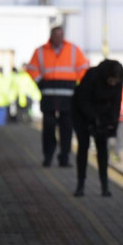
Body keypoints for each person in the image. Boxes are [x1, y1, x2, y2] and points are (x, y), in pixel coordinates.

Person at [26, 26, 89, 167]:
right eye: (56, 35)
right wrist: (40, 82)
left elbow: (84, 70)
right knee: (48, 128)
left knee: (66, 129)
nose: (58, 38)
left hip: (68, 98)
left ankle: (64, 158)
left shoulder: (73, 50)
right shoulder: (40, 51)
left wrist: (80, 88)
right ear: (51, 36)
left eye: (61, 35)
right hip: (48, 97)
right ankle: (48, 157)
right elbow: (31, 69)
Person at [72, 59, 123, 197]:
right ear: (107, 76)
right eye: (111, 80)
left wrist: (112, 122)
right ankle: (80, 185)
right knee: (83, 147)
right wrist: (94, 118)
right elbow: (83, 100)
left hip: (102, 115)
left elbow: (117, 101)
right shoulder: (92, 75)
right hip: (82, 114)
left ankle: (105, 187)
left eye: (116, 81)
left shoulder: (118, 79)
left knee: (102, 150)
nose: (113, 84)